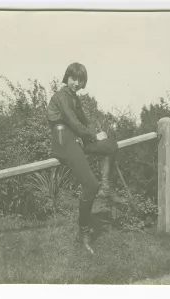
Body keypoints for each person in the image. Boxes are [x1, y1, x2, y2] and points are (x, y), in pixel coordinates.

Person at [46, 63, 124, 254]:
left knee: (111, 144)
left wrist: (98, 133)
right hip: (63, 140)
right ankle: (83, 232)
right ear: (67, 77)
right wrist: (91, 136)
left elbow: (84, 119)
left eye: (80, 80)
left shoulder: (74, 98)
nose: (76, 83)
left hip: (75, 137)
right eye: (73, 78)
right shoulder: (61, 96)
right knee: (90, 184)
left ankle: (107, 187)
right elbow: (72, 121)